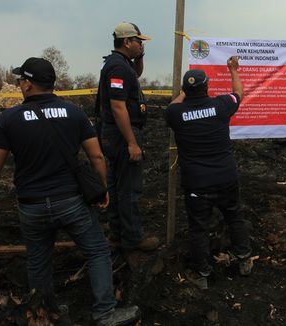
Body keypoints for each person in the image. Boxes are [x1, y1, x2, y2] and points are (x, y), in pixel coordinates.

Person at [0, 57, 140, 325]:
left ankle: (44, 313)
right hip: (71, 202)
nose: (20, 83)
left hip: (31, 205)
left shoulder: (9, 119)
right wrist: (101, 189)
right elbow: (97, 157)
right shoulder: (75, 113)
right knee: (98, 251)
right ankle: (105, 312)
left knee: (38, 259)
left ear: (29, 84)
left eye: (21, 79)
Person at [164, 56, 252, 289]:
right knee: (234, 216)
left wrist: (184, 92)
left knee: (198, 227)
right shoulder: (221, 105)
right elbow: (239, 93)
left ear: (186, 89)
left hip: (196, 183)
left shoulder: (175, 114)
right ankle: (244, 260)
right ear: (207, 87)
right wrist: (233, 70)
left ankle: (202, 274)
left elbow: (173, 106)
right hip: (225, 177)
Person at [98, 22, 159, 251]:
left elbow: (136, 75)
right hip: (122, 134)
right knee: (129, 189)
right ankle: (133, 239)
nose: (141, 44)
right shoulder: (117, 67)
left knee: (116, 186)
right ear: (127, 42)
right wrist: (132, 142)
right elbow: (117, 107)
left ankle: (116, 235)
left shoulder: (121, 64)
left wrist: (140, 57)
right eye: (138, 41)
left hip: (116, 135)